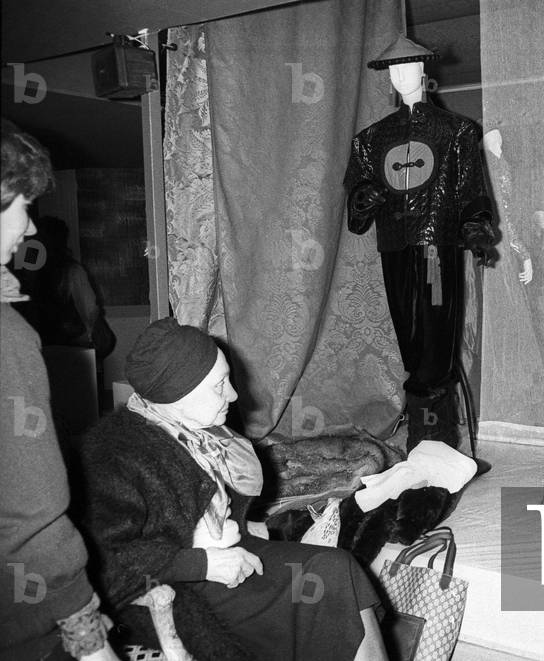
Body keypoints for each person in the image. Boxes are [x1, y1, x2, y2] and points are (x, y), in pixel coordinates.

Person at [75, 317, 386, 660]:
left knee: (336, 567)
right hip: (173, 588)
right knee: (321, 586)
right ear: (179, 390)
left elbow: (203, 506)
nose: (234, 394)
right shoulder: (114, 455)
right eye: (220, 384)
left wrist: (239, 524)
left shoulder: (197, 432)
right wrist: (201, 563)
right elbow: (104, 564)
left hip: (223, 561)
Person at [0, 119, 119, 660]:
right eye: (23, 207)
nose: (29, 229)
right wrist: (88, 637)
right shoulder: (7, 335)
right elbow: (35, 509)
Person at [344, 35, 496, 452]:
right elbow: (356, 215)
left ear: (424, 71)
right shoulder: (370, 140)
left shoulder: (456, 132)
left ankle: (436, 443)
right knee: (409, 339)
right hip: (395, 249)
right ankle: (423, 441)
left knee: (436, 337)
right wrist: (364, 198)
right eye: (395, 68)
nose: (401, 74)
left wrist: (477, 229)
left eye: (410, 66)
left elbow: (470, 191)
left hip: (433, 252)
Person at [13, 215, 115, 361]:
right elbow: (90, 309)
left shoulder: (27, 272)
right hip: (74, 348)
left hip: (41, 346)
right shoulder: (71, 271)